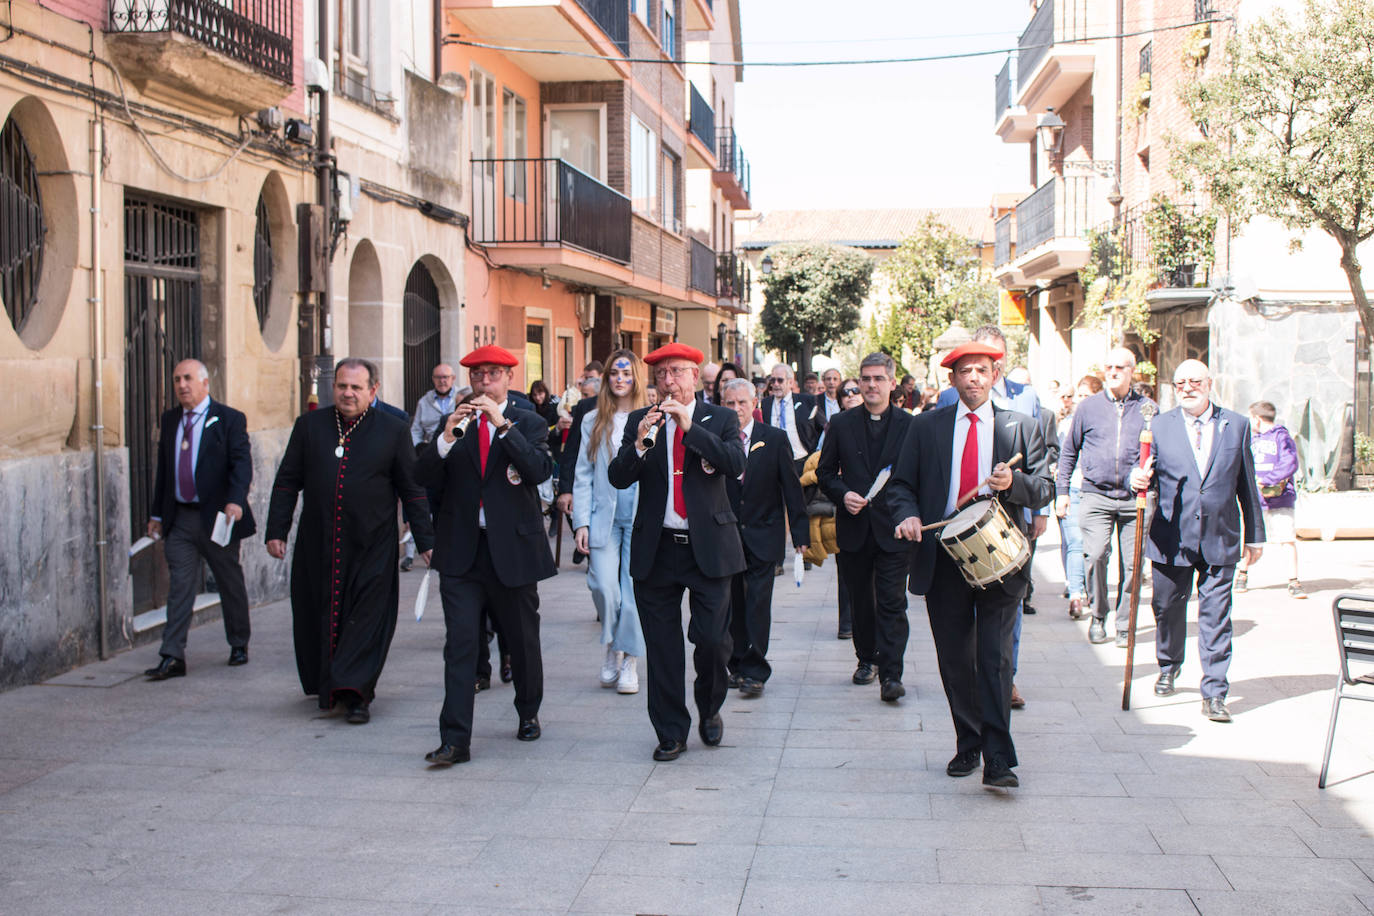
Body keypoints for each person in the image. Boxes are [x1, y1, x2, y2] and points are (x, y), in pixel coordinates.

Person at [889, 340, 1054, 789]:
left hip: (999, 554)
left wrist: (1014, 482)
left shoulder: (1021, 427)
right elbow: (901, 484)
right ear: (953, 379)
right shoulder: (927, 428)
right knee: (956, 658)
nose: (974, 378)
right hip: (943, 554)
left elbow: (1044, 489)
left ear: (995, 376)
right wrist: (906, 513)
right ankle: (969, 741)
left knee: (995, 658)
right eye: (965, 371)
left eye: (983, 370)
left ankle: (998, 758)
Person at [265, 358, 434, 724]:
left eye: (357, 387)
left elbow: (413, 489)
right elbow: (286, 480)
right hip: (318, 543)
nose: (347, 393)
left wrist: (425, 541)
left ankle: (357, 693)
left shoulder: (392, 429)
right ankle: (330, 684)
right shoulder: (309, 427)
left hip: (372, 544)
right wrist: (276, 530)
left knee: (366, 619)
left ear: (373, 391)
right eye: (342, 386)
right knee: (318, 614)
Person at [416, 345, 556, 766]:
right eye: (477, 375)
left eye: (493, 374)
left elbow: (538, 471)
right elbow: (422, 479)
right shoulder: (452, 422)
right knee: (460, 644)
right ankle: (455, 739)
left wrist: (504, 428)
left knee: (522, 640)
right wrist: (443, 440)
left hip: (511, 550)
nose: (483, 382)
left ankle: (528, 710)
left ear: (508, 380)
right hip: (462, 551)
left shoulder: (528, 422)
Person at [607, 343, 746, 761]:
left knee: (711, 641)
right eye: (662, 374)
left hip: (709, 549)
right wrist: (639, 445)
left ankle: (710, 707)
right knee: (663, 647)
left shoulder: (719, 418)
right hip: (658, 549)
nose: (669, 381)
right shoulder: (640, 420)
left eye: (677, 372)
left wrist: (690, 428)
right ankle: (670, 731)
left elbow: (733, 462)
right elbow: (618, 477)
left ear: (695, 375)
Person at [1131, 359, 1264, 723]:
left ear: (1209, 383)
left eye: (1194, 381)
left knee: (1217, 617)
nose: (1187, 388)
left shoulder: (1235, 425)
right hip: (1172, 537)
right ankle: (1169, 663)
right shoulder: (1159, 425)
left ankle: (1216, 690)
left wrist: (1255, 536)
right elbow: (1142, 468)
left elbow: (1247, 484)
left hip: (1221, 535)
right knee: (1167, 607)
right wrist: (1136, 480)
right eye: (1179, 383)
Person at [142, 359, 256, 680]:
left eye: (188, 378)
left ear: (205, 383)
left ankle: (238, 642)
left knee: (227, 580)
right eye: (177, 379)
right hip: (180, 518)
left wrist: (235, 501)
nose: (181, 385)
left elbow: (241, 464)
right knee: (180, 586)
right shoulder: (170, 420)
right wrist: (156, 513)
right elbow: (164, 472)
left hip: (217, 517)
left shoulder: (229, 419)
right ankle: (172, 654)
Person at [817, 353, 916, 701]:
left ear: (892, 382)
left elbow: (916, 476)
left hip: (894, 528)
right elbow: (825, 473)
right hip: (855, 527)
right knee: (860, 600)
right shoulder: (841, 425)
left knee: (892, 602)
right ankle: (865, 658)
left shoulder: (910, 425)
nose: (871, 385)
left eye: (878, 378)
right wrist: (843, 495)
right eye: (865, 378)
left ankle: (891, 674)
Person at [1055, 347, 1158, 647]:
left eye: (1120, 367)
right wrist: (1062, 492)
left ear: (1131, 371)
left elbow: (1159, 454)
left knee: (1132, 565)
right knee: (1096, 555)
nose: (1113, 372)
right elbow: (1069, 451)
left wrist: (1147, 477)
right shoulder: (1088, 408)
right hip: (1095, 495)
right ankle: (1099, 613)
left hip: (1133, 498)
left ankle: (1125, 624)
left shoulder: (1148, 408)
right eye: (1109, 367)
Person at [721, 378, 810, 697]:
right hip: (727, 538)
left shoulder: (774, 439)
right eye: (729, 404)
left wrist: (800, 534)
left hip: (764, 535)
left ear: (755, 404)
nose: (736, 410)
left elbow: (791, 487)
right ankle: (736, 664)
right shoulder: (715, 440)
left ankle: (756, 670)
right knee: (732, 604)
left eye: (742, 403)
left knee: (758, 602)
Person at [573, 349, 649, 694]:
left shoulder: (651, 417)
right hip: (603, 515)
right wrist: (581, 523)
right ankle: (611, 645)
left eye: (627, 373)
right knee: (604, 587)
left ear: (636, 378)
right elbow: (583, 474)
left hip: (640, 515)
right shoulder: (592, 420)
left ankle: (629, 659)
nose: (620, 379)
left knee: (632, 593)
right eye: (614, 373)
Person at [1236, 401, 1305, 598]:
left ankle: (1294, 580)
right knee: (1251, 538)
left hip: (1280, 498)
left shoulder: (1281, 436)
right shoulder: (1251, 438)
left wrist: (1268, 480)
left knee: (1286, 539)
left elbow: (1290, 461)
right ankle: (1242, 573)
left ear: (1257, 418)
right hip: (1256, 499)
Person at [819, 377, 863, 640]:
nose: (851, 396)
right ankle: (846, 622)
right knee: (846, 567)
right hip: (844, 506)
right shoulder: (835, 426)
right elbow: (822, 466)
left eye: (855, 390)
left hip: (879, 512)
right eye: (845, 394)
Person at [1059, 376, 1103, 620]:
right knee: (1075, 542)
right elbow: (1063, 456)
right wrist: (1061, 491)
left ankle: (1094, 593)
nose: (1080, 401)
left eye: (1086, 396)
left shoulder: (1104, 422)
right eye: (1079, 396)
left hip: (1097, 491)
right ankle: (1076, 593)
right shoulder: (1067, 423)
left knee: (1096, 549)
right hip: (1075, 488)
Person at [555, 360, 606, 565]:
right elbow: (572, 450)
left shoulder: (634, 405)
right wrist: (565, 489)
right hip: (589, 480)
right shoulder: (584, 408)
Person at [761, 363, 823, 471]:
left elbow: (824, 427)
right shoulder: (766, 404)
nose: (775, 384)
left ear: (790, 382)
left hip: (802, 461)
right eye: (772, 380)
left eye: (780, 380)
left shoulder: (808, 401)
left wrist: (817, 453)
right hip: (775, 463)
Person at [410, 363, 457, 447]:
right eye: (438, 377)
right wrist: (418, 449)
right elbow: (416, 431)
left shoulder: (462, 396)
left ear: (453, 378)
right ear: (433, 379)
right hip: (432, 448)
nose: (442, 381)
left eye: (445, 377)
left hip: (457, 446)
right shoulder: (423, 402)